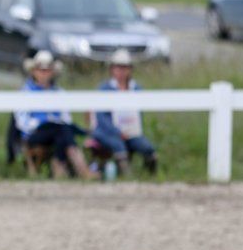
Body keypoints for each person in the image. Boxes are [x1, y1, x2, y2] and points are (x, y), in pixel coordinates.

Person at [13, 50, 96, 179]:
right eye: (41, 70)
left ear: (53, 72)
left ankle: (60, 166)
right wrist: (46, 121)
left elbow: (66, 118)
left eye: (47, 70)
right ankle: (76, 168)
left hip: (58, 132)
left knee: (61, 130)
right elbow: (22, 123)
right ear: (34, 71)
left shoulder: (59, 92)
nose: (44, 73)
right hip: (35, 134)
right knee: (61, 129)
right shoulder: (26, 92)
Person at [91, 49, 158, 174]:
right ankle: (127, 177)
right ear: (112, 69)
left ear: (130, 69)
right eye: (118, 67)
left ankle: (150, 176)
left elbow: (138, 114)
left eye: (125, 68)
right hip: (107, 132)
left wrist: (133, 130)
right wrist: (117, 132)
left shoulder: (136, 88)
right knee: (118, 145)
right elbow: (101, 118)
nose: (121, 71)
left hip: (130, 131)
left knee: (148, 148)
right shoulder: (104, 89)